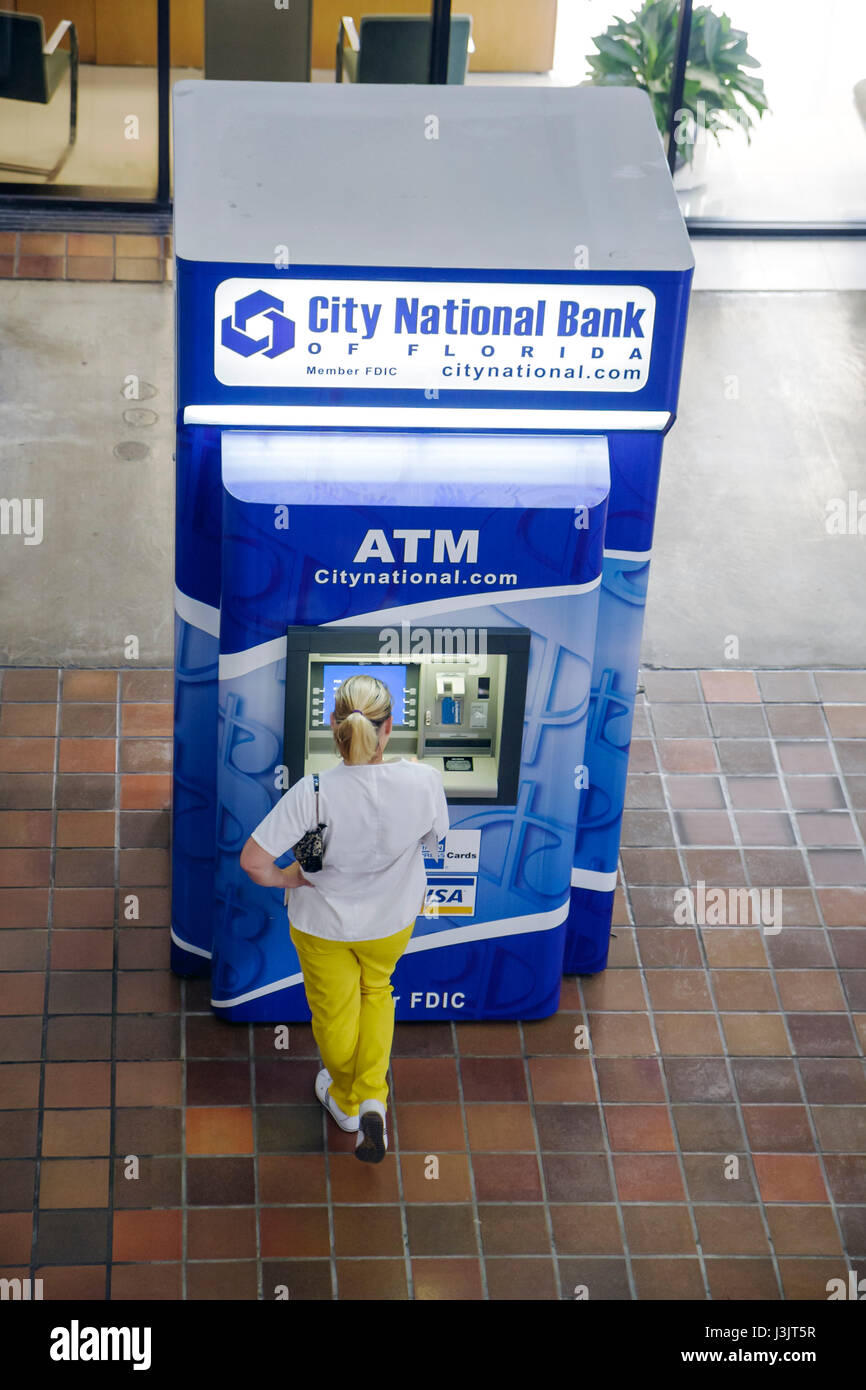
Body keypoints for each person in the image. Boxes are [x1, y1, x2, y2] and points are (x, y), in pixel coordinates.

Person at [240, 673, 449, 1164]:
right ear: (389, 728)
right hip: (392, 919)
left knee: (335, 1014)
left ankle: (347, 1100)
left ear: (333, 725)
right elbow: (433, 842)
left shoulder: (312, 791)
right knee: (378, 992)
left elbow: (252, 861)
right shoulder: (423, 780)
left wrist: (289, 879)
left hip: (324, 926)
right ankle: (373, 1096)